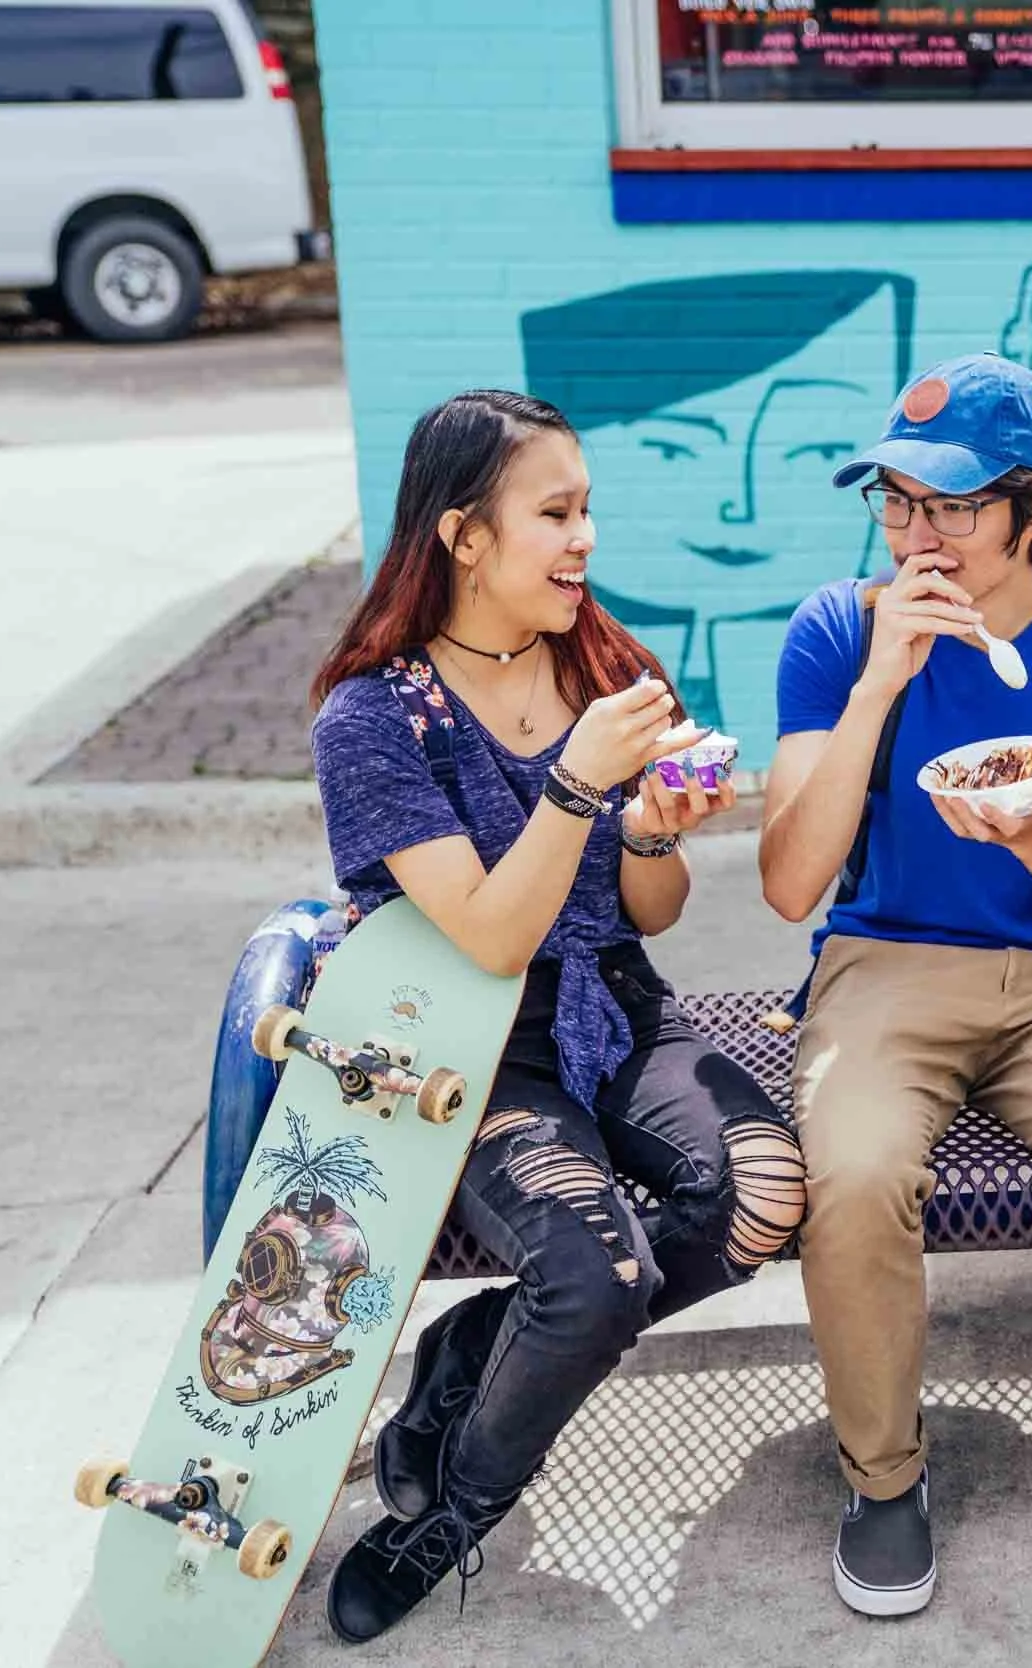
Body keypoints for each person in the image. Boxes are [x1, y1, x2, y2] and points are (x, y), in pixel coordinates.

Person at [307, 389, 807, 1642]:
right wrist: (579, 784)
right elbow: (487, 936)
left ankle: (476, 1344)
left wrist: (653, 832)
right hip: (468, 1043)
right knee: (593, 1274)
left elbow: (650, 913)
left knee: (763, 1191)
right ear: (465, 536)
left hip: (616, 1010)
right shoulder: (373, 719)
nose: (585, 539)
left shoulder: (611, 671)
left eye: (587, 511)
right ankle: (451, 1511)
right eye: (556, 513)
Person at [757, 353, 1032, 1616]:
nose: (918, 536)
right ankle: (882, 1479)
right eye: (897, 501)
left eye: (953, 506)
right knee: (850, 1175)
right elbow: (789, 884)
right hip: (885, 966)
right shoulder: (838, 630)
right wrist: (880, 684)